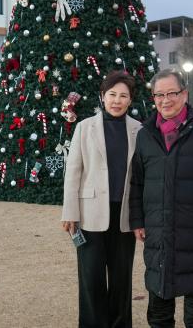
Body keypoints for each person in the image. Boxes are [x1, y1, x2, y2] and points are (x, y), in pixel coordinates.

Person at [130, 69, 193, 328]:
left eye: (172, 93)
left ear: (184, 94)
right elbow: (136, 183)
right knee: (159, 301)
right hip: (157, 229)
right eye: (159, 95)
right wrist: (137, 221)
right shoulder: (145, 135)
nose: (165, 100)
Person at [62, 70, 143, 328]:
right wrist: (70, 212)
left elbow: (143, 176)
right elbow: (73, 172)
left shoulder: (140, 130)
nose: (117, 101)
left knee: (121, 280)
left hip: (125, 217)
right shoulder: (85, 127)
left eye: (123, 96)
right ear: (102, 96)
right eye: (112, 95)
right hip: (89, 215)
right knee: (91, 279)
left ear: (130, 100)